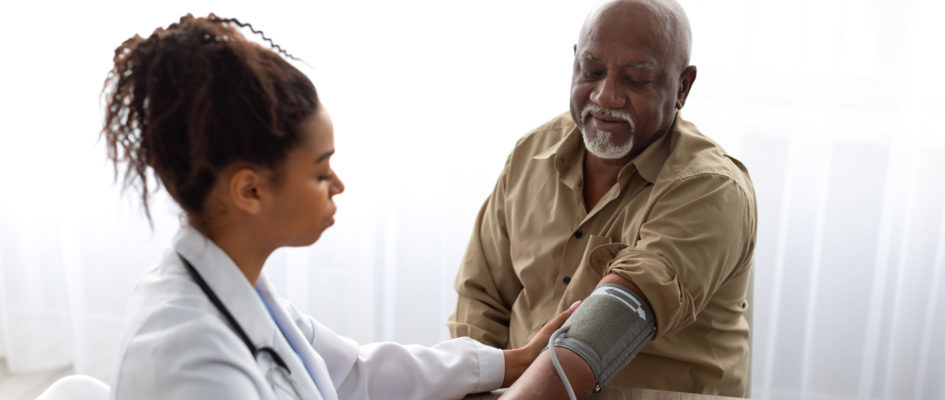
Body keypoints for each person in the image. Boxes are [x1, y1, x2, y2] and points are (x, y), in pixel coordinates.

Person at [102, 14, 576, 400]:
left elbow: (355, 374)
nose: (339, 185)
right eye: (321, 172)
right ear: (250, 191)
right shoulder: (192, 361)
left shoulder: (239, 291)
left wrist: (512, 361)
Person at [448, 0, 757, 398]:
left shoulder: (712, 189)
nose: (606, 96)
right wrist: (476, 388)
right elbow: (480, 298)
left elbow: (611, 323)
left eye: (636, 80)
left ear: (683, 87)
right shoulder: (531, 154)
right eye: (591, 71)